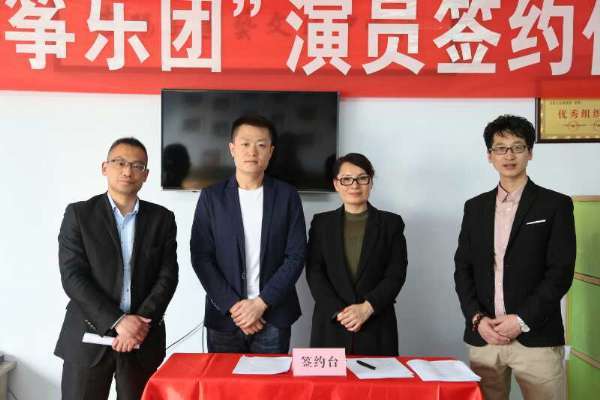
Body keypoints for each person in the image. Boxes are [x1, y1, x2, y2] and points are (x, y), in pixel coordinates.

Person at [454, 115, 576, 400]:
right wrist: (477, 319)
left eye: (517, 147)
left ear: (529, 153)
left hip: (536, 338)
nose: (509, 155)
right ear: (490, 156)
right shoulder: (475, 207)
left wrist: (521, 320)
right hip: (485, 337)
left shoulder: (555, 204)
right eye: (500, 148)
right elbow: (463, 269)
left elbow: (560, 272)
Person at [55, 138, 179, 400]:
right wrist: (118, 321)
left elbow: (167, 276)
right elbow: (73, 276)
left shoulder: (162, 219)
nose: (127, 171)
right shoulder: (79, 215)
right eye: (119, 163)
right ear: (105, 167)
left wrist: (138, 325)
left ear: (146, 175)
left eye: (136, 166)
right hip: (87, 338)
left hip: (142, 341)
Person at [190, 115, 306, 353]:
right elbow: (201, 256)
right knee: (222, 379)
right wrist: (235, 307)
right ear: (232, 149)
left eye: (261, 145)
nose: (252, 151)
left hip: (273, 316)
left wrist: (261, 304)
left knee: (272, 379)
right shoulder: (212, 197)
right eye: (245, 144)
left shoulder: (287, 196)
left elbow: (296, 256)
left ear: (270, 152)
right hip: (225, 317)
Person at [306, 153, 407, 355]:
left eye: (362, 178)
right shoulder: (321, 223)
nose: (354, 185)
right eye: (346, 179)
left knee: (377, 376)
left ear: (371, 182)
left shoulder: (391, 223)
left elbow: (395, 274)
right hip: (331, 324)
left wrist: (367, 308)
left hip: (376, 324)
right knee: (330, 377)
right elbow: (314, 272)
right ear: (336, 184)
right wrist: (340, 313)